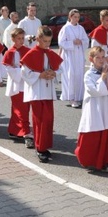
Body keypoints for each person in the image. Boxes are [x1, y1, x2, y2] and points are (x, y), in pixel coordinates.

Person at [20, 26, 63, 163]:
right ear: (38, 39)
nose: (47, 44)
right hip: (36, 92)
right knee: (39, 121)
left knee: (48, 119)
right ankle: (39, 148)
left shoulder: (50, 53)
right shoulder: (31, 53)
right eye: (44, 41)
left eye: (49, 41)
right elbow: (24, 73)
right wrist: (40, 75)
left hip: (48, 92)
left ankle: (44, 146)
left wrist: (54, 73)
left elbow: (61, 68)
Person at [75, 46, 108, 173]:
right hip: (94, 108)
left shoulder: (105, 72)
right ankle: (90, 161)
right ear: (91, 59)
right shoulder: (88, 75)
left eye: (103, 57)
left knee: (107, 135)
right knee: (93, 136)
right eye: (97, 57)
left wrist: (107, 79)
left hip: (106, 107)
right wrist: (103, 78)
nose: (101, 60)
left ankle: (107, 161)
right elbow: (94, 91)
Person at [2, 27, 32, 146]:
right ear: (13, 39)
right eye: (18, 38)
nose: (21, 41)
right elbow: (8, 68)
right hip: (16, 84)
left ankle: (14, 130)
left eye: (22, 38)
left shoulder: (28, 50)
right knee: (20, 110)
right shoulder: (10, 52)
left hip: (26, 84)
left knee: (23, 109)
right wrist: (21, 72)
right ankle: (26, 134)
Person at [58, 9, 88, 109]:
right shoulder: (65, 28)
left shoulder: (81, 28)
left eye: (78, 17)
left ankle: (78, 97)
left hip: (79, 55)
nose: (76, 19)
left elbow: (86, 40)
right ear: (70, 17)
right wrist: (72, 43)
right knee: (71, 75)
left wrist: (81, 42)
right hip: (69, 56)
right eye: (75, 17)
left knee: (79, 75)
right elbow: (61, 42)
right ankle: (71, 98)